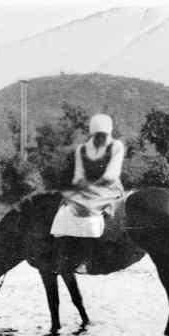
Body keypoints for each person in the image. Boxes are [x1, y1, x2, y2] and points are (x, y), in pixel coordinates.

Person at [53, 113, 126, 273]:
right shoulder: (82, 149)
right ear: (93, 134)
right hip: (86, 187)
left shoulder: (116, 146)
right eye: (98, 135)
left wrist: (91, 187)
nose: (101, 138)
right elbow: (79, 174)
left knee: (88, 210)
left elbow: (111, 174)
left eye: (104, 135)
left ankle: (86, 260)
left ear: (108, 133)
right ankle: (65, 257)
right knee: (64, 208)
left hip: (109, 187)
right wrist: (80, 187)